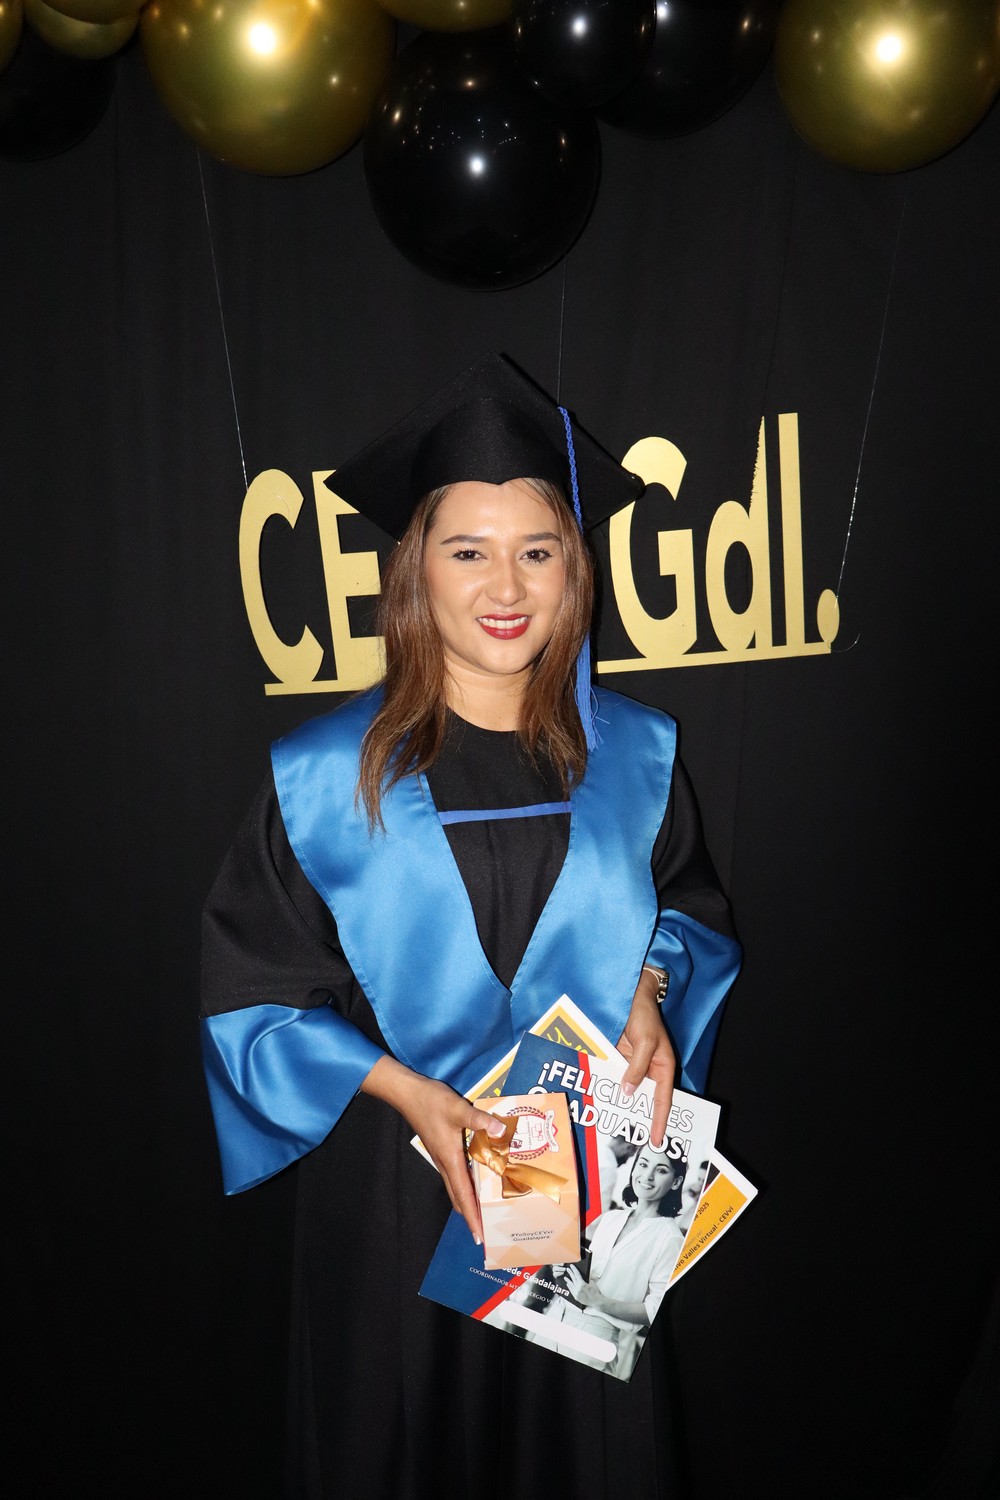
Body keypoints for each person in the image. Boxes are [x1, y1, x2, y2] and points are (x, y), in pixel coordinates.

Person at [200, 352, 742, 1499]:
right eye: (468, 550)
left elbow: (688, 913)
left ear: (574, 567)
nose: (507, 584)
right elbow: (252, 995)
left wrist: (650, 992)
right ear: (415, 570)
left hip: (586, 1181)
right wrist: (409, 1095)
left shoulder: (637, 756)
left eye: (538, 550)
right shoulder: (324, 775)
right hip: (398, 1194)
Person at [509, 1140, 689, 1380]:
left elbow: (655, 1311)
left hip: (594, 1341)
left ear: (675, 1182)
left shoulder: (670, 1238)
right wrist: (565, 1270)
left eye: (661, 1170)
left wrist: (600, 1301)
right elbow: (592, 1274)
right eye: (643, 1164)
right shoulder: (612, 1218)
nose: (647, 1176)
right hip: (555, 1317)